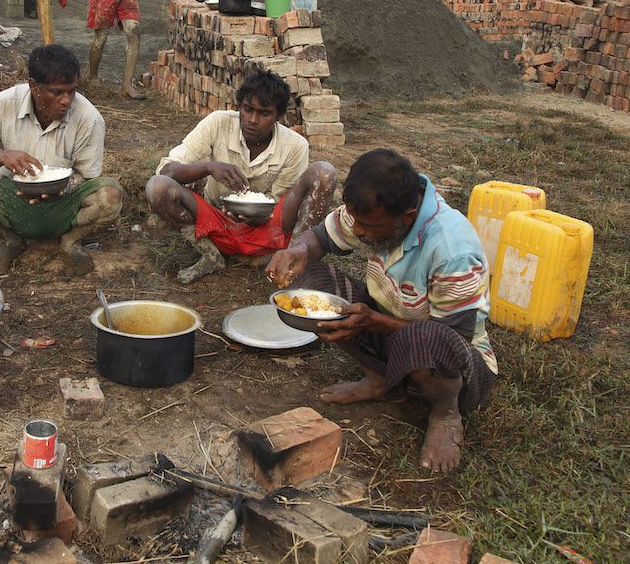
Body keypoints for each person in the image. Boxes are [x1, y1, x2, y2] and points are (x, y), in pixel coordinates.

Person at [264, 149, 498, 474]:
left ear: (407, 216)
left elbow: (452, 338)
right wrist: (297, 251)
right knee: (310, 280)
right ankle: (378, 380)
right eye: (355, 221)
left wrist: (376, 321)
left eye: (367, 226)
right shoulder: (372, 207)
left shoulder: (451, 249)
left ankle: (445, 416)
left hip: (454, 367)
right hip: (392, 333)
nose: (357, 231)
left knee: (422, 338)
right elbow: (320, 237)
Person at [146, 71, 337, 284]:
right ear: (239, 106)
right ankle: (211, 255)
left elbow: (282, 204)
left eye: (264, 113)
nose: (253, 120)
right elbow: (166, 170)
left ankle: (291, 263)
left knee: (324, 172)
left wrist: (261, 216)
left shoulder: (295, 145)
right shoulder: (218, 123)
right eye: (247, 110)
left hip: (266, 228)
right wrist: (208, 167)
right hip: (216, 221)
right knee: (157, 187)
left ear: (279, 115)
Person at [0, 44, 123, 276]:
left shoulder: (89, 118)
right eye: (57, 92)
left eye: (72, 91)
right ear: (33, 86)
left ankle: (70, 243)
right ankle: (11, 240)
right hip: (13, 194)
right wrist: (0, 157)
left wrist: (60, 188)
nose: (66, 101)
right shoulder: (4, 104)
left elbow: (89, 177)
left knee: (110, 196)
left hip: (63, 201)